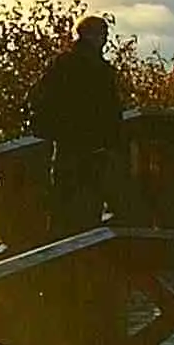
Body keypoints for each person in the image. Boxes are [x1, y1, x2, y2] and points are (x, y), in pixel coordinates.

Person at [23, 14, 125, 227]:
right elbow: (111, 111)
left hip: (66, 147)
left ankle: (63, 242)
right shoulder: (100, 70)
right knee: (89, 207)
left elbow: (37, 99)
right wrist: (113, 141)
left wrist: (52, 130)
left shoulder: (63, 64)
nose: (105, 39)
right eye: (102, 34)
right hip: (93, 149)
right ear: (92, 36)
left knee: (64, 205)